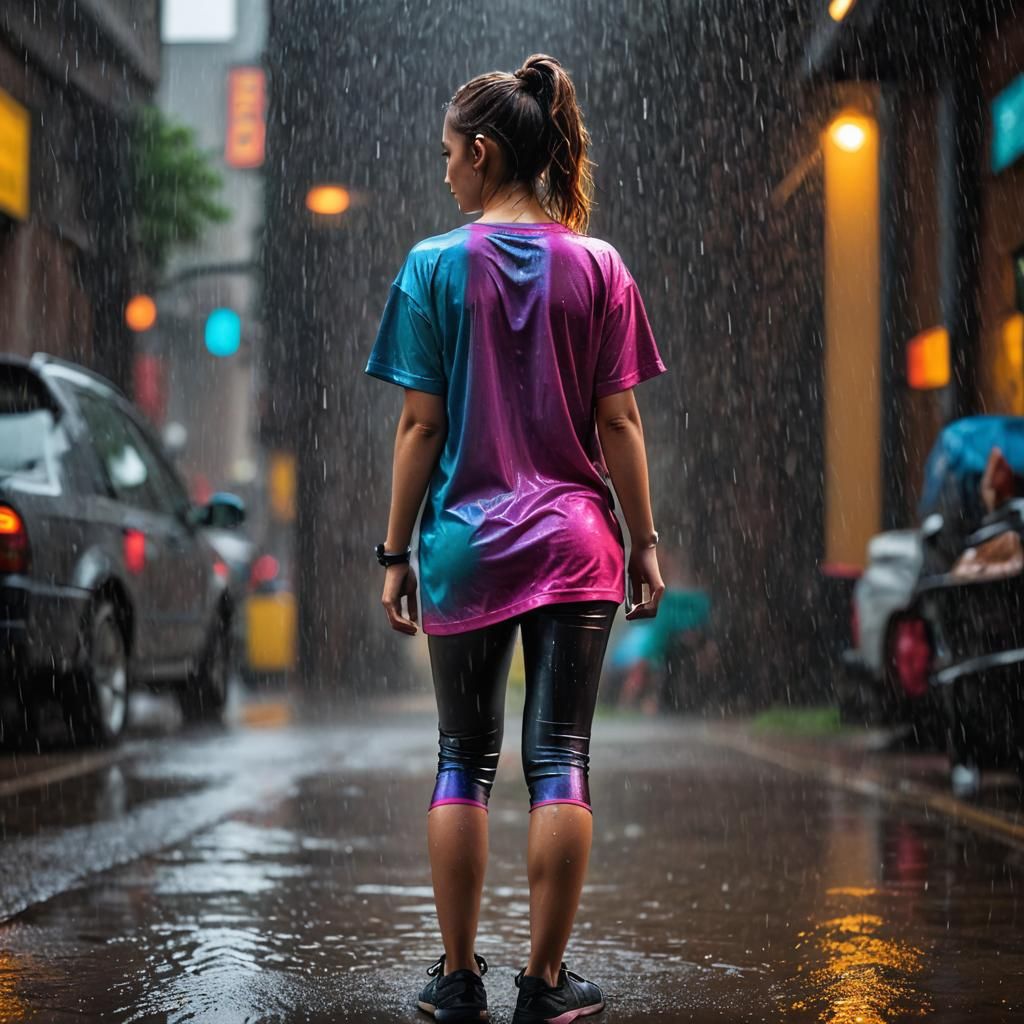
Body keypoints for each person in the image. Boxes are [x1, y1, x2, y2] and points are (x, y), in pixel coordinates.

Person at [366, 53, 667, 1024]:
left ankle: (457, 979)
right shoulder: (601, 266)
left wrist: (395, 549)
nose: (444, 171)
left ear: (484, 152)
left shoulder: (432, 266)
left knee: (462, 755)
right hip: (578, 545)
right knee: (561, 758)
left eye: (450, 154)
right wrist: (646, 541)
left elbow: (421, 426)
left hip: (464, 543)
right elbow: (618, 424)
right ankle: (544, 982)